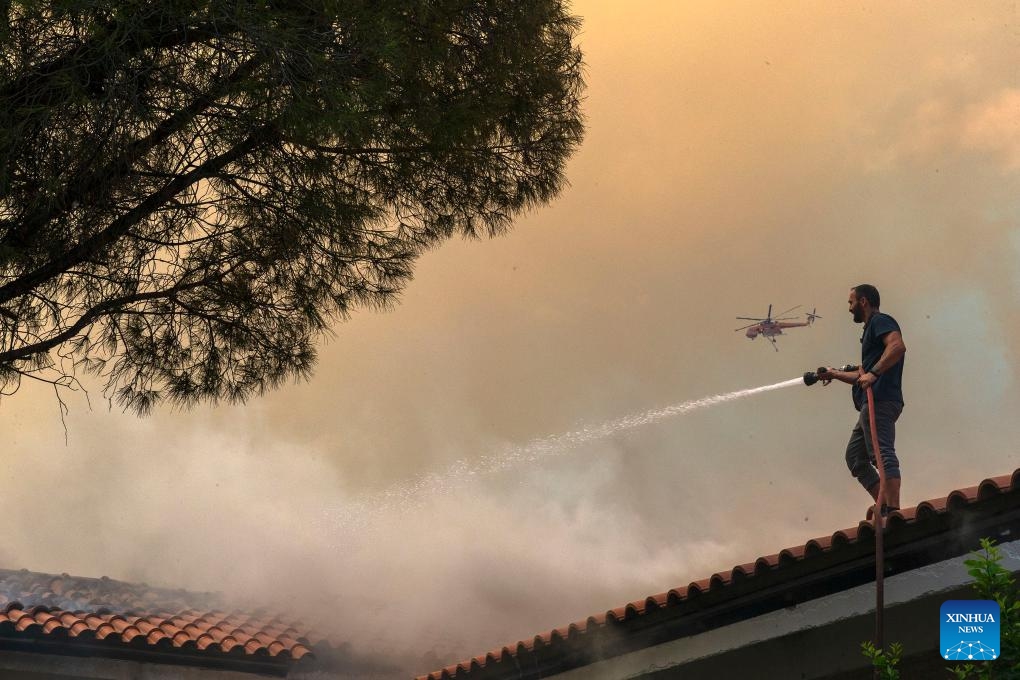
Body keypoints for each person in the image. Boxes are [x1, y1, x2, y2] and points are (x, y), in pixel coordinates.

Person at [818, 285, 906, 517]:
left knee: (881, 452)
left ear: (863, 302)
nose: (849, 308)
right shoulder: (869, 332)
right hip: (871, 403)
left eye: (851, 303)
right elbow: (862, 376)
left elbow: (897, 346)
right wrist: (834, 374)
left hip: (881, 400)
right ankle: (883, 503)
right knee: (855, 456)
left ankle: (893, 512)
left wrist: (874, 373)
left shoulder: (880, 321)